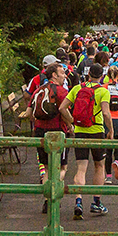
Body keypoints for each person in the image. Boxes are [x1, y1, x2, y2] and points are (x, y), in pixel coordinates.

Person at [59, 63, 114, 219]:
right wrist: (110, 130)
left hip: (80, 132)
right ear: (102, 76)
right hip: (96, 131)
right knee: (99, 166)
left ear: (88, 74)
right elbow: (106, 113)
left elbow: (63, 108)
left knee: (81, 168)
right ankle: (96, 203)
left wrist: (72, 123)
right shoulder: (103, 91)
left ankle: (78, 201)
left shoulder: (76, 89)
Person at [29, 63, 69, 214]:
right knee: (61, 167)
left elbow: (29, 112)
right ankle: (54, 197)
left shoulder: (38, 91)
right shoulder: (62, 91)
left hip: (40, 131)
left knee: (46, 167)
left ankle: (46, 200)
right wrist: (71, 124)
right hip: (57, 132)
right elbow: (64, 110)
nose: (64, 75)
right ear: (54, 75)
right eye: (62, 73)